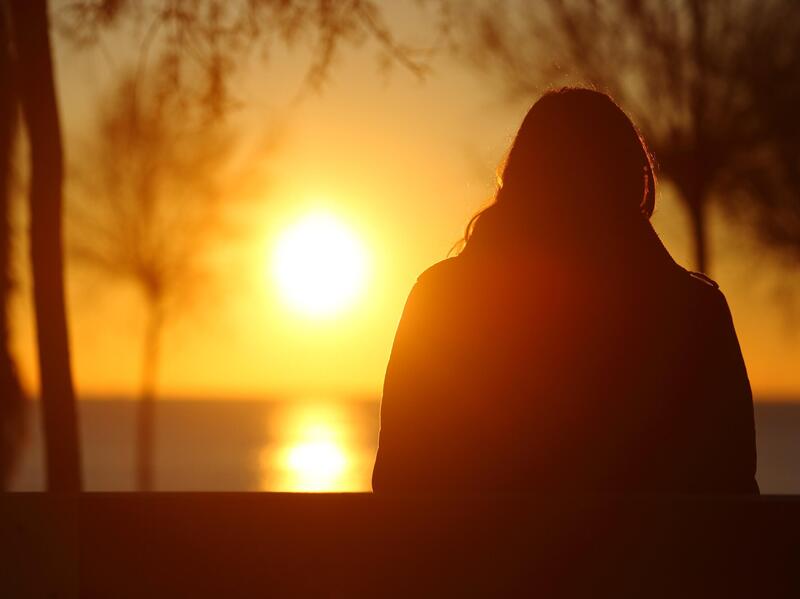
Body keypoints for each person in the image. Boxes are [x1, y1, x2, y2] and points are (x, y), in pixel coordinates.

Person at [372, 88, 758, 493]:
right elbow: (734, 485)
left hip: (481, 537)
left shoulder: (441, 300)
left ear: (521, 180)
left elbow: (397, 478)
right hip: (653, 538)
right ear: (633, 183)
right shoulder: (695, 313)